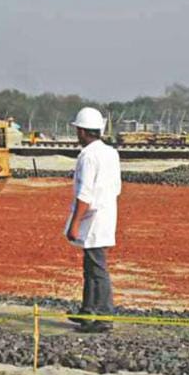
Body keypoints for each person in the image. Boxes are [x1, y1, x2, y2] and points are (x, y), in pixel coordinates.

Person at [65, 107, 121, 333]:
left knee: (97, 268)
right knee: (91, 265)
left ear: (82, 131)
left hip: (93, 217)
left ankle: (104, 315)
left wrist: (75, 223)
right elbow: (116, 187)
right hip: (106, 213)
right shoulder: (110, 152)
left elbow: (85, 193)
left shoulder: (88, 156)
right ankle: (87, 310)